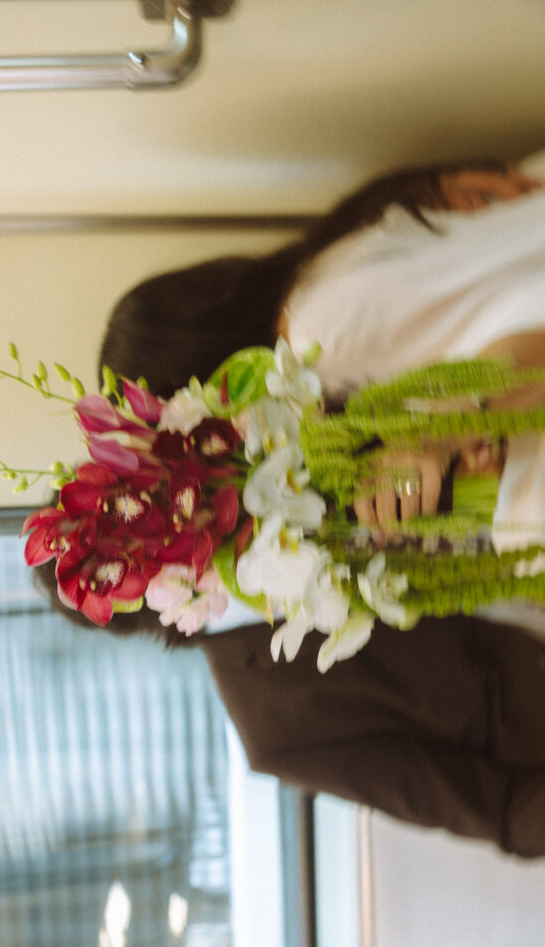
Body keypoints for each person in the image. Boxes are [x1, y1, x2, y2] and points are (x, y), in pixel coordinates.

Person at [38, 157, 545, 857]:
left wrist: (457, 431)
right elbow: (506, 811)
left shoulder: (302, 413)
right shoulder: (279, 723)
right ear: (157, 605)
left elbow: (486, 371)